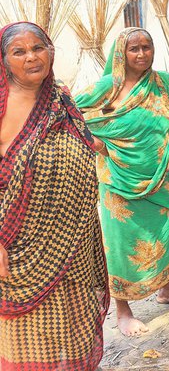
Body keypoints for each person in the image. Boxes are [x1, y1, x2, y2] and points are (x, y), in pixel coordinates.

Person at [75, 28, 169, 337]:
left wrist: (160, 138)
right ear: (122, 53)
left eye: (147, 47)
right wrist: (102, 144)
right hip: (119, 182)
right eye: (134, 49)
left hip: (163, 176)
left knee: (164, 234)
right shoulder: (107, 87)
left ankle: (166, 290)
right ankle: (123, 310)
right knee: (120, 245)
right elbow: (72, 116)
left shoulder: (166, 83)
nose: (142, 54)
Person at [0, 22, 109, 370]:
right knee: (29, 338)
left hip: (76, 239)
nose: (32, 57)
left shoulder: (59, 97)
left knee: (75, 324)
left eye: (39, 48)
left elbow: (82, 136)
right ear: (4, 61)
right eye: (19, 51)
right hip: (22, 248)